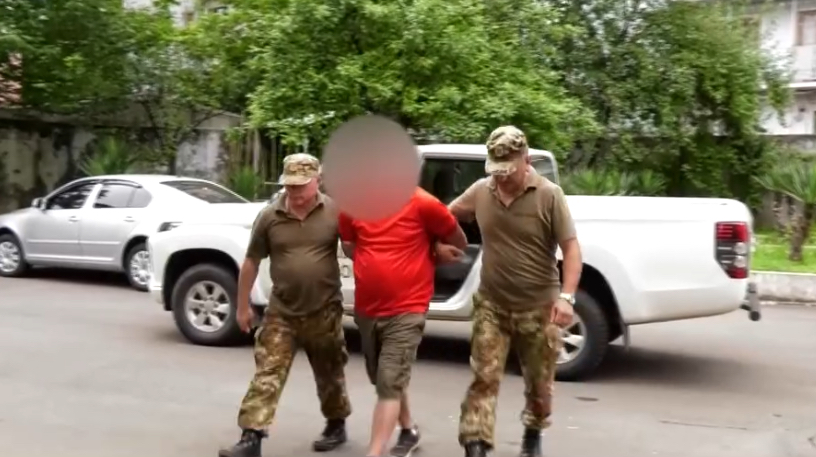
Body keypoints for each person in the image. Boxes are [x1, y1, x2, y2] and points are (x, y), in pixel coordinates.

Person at [446, 125, 583, 457]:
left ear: (526, 160)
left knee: (539, 385)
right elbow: (447, 215)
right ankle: (475, 443)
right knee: (484, 377)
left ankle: (533, 433)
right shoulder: (481, 190)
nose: (501, 178)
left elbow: (572, 249)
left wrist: (566, 298)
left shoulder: (549, 195)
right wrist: (441, 242)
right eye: (496, 170)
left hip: (539, 307)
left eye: (508, 170)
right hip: (492, 304)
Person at [218, 153, 352, 457]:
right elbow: (251, 262)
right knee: (267, 372)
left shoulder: (335, 211)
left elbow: (356, 250)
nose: (295, 192)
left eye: (301, 186)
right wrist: (242, 307)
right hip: (282, 312)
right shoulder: (270, 216)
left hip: (325, 310)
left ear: (317, 181)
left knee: (330, 373)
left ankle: (336, 423)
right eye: (290, 185)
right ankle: (251, 437)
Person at [338, 187, 468, 457]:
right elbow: (350, 247)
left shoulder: (424, 203)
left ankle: (374, 452)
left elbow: (459, 241)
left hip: (408, 307)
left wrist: (433, 249)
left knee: (388, 382)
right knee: (384, 378)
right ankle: (408, 429)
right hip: (368, 308)